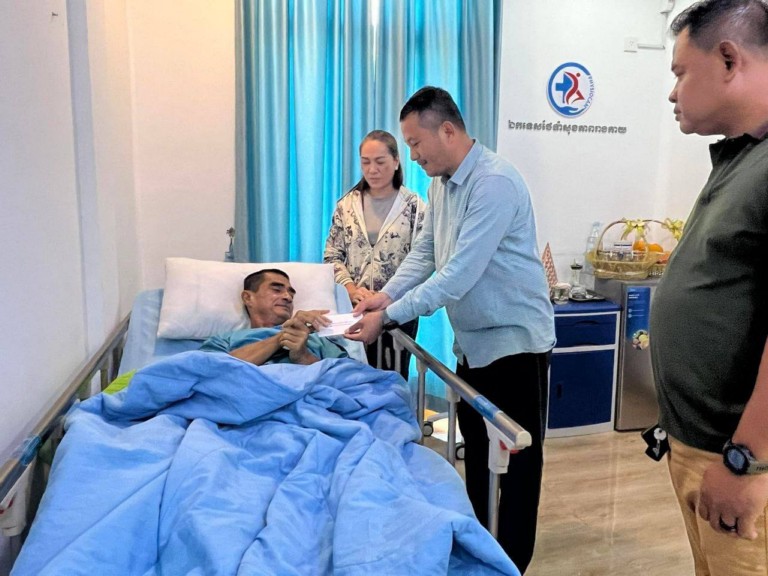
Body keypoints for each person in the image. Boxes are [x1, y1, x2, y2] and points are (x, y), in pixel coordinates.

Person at [344, 86, 555, 572]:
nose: (413, 156)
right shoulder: (442, 184)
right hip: (473, 344)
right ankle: (481, 545)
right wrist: (385, 296)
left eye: (415, 143)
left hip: (515, 344)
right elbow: (426, 253)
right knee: (478, 454)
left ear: (447, 130)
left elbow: (457, 275)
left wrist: (387, 318)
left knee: (517, 465)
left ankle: (511, 562)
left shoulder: (494, 183)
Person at [650, 1, 768, 574]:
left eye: (680, 72)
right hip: (703, 445)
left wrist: (748, 460)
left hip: (738, 455)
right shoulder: (740, 159)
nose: (673, 93)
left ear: (727, 59)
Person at [323, 129, 426, 378]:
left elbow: (423, 258)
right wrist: (351, 289)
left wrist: (387, 295)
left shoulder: (414, 207)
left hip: (397, 310)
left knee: (393, 376)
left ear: (396, 161)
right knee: (354, 375)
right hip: (354, 308)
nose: (372, 170)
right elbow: (332, 256)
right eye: (365, 162)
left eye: (380, 162)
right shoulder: (346, 205)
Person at [200, 269, 347, 365]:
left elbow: (346, 377)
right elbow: (206, 372)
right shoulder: (224, 340)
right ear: (248, 298)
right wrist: (280, 338)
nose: (288, 297)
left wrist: (303, 356)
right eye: (277, 290)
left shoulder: (317, 339)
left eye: (291, 294)